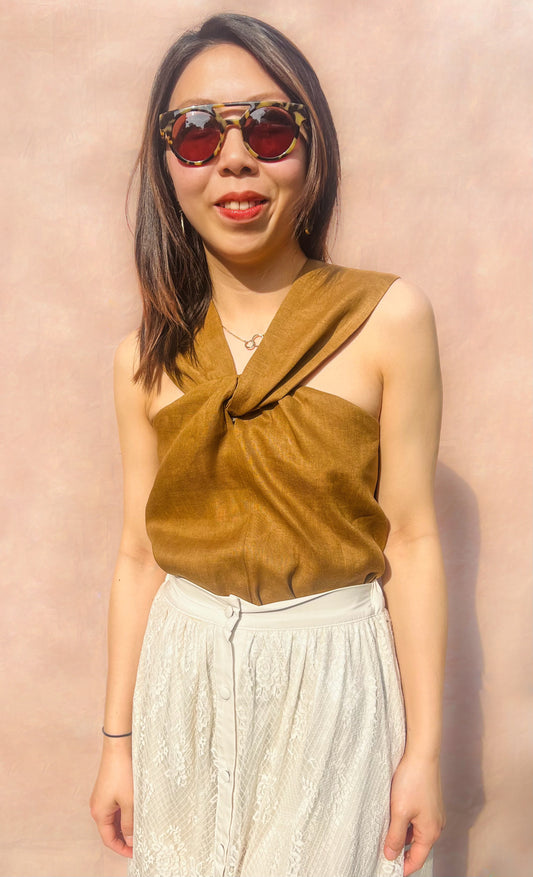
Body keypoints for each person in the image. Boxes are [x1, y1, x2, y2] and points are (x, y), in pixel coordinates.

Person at [90, 12, 447, 877]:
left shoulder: (387, 317)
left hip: (333, 682)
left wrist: (424, 752)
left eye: (269, 126)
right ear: (166, 163)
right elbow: (138, 554)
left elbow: (410, 539)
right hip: (181, 680)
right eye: (196, 133)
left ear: (311, 150)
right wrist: (116, 743)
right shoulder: (144, 356)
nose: (234, 158)